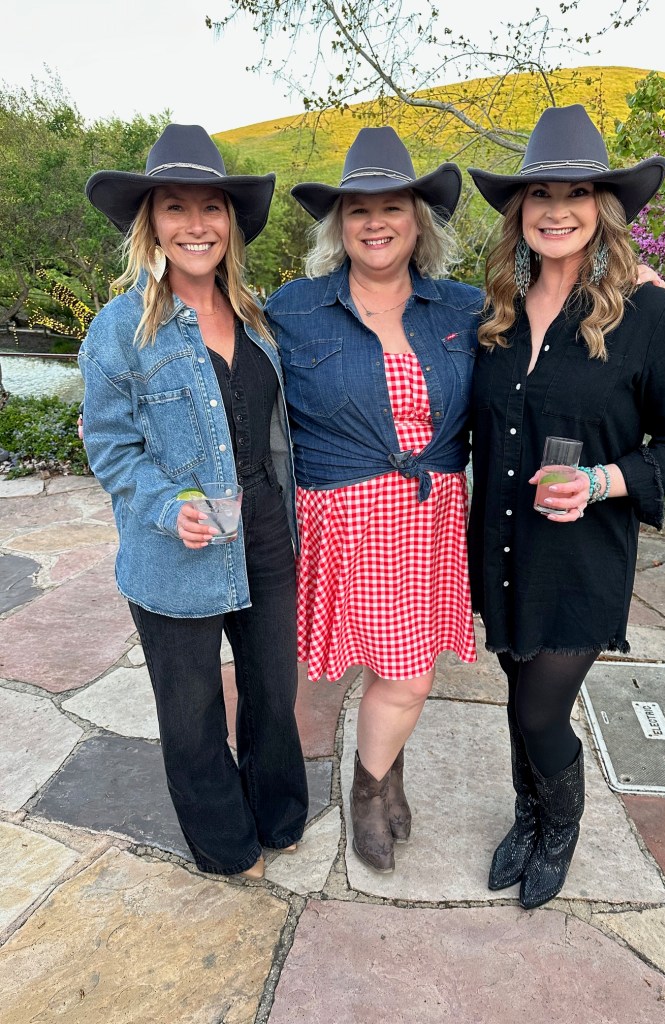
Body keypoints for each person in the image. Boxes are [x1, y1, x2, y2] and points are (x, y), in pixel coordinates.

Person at [466, 104, 665, 908]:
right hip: (502, 544)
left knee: (542, 712)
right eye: (540, 194)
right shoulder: (495, 313)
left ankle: (560, 827)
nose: (556, 209)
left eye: (576, 193)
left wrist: (603, 481)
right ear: (520, 211)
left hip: (580, 557)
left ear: (602, 208)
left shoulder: (651, 314)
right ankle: (528, 816)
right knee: (518, 694)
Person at [78, 124, 308, 881]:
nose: (196, 224)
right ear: (152, 224)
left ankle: (277, 816)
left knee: (272, 693)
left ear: (230, 223)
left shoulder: (257, 318)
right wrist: (165, 503)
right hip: (175, 546)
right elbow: (110, 446)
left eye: (211, 207)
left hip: (265, 530)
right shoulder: (120, 330)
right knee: (191, 710)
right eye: (175, 207)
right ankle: (224, 845)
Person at [265, 127, 482, 872]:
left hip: (432, 516)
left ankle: (379, 776)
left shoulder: (463, 308)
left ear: (418, 221)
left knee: (403, 670)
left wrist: (630, 280)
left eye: (393, 207)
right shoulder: (294, 309)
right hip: (346, 518)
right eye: (359, 209)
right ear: (339, 225)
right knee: (405, 672)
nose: (376, 222)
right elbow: (221, 354)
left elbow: (549, 328)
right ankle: (371, 788)